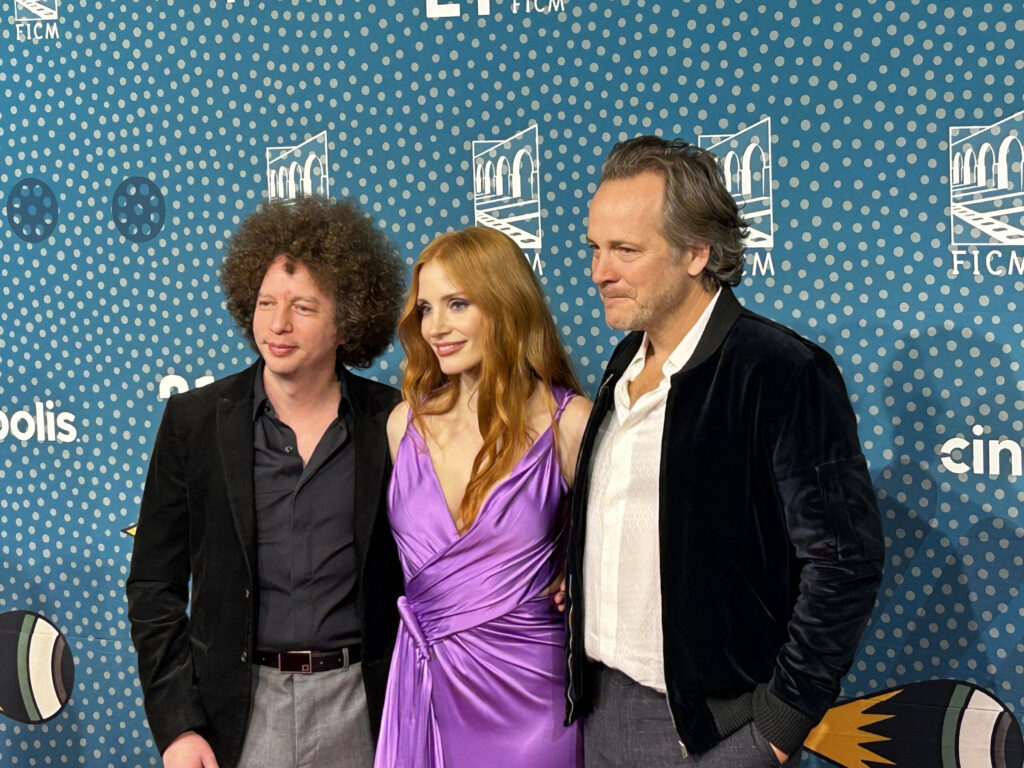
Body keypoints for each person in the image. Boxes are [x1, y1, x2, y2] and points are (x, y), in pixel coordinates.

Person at [560, 136, 884, 767]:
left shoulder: (781, 371)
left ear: (697, 252)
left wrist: (779, 725)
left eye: (626, 250)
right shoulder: (624, 360)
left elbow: (844, 562)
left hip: (716, 732)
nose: (600, 271)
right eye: (595, 248)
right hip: (602, 709)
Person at [126, 196, 406, 768]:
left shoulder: (395, 422)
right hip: (236, 713)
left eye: (303, 307)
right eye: (265, 303)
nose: (278, 324)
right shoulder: (194, 422)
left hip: (366, 710)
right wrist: (179, 727)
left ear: (347, 320)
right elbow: (154, 585)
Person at [374, 227, 589, 768]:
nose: (435, 327)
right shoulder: (404, 425)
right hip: (423, 690)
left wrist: (578, 575)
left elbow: (630, 549)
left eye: (457, 304)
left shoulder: (568, 424)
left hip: (532, 703)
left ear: (505, 304)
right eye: (426, 308)